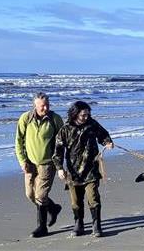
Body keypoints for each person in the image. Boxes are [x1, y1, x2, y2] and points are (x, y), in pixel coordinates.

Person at [53, 101, 114, 237]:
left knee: (93, 197)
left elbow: (103, 135)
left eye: (88, 114)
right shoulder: (65, 129)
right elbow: (58, 150)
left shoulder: (92, 124)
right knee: (76, 201)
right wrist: (59, 168)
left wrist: (108, 142)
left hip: (91, 168)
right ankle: (78, 224)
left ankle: (96, 225)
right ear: (75, 114)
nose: (86, 117)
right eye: (83, 115)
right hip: (73, 172)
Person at [15, 92, 64, 238]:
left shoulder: (55, 119)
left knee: (41, 195)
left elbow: (62, 142)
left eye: (47, 105)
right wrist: (22, 161)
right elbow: (18, 141)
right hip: (30, 164)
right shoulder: (25, 118)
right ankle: (53, 208)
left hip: (47, 164)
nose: (45, 108)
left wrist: (59, 163)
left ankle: (42, 227)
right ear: (35, 105)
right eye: (42, 105)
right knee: (30, 195)